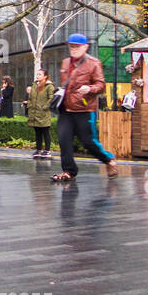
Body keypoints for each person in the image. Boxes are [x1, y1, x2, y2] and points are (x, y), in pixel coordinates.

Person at [53, 34, 119, 183]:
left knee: (88, 142)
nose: (74, 49)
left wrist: (89, 88)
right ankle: (69, 171)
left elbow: (101, 85)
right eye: (71, 46)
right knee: (64, 140)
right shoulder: (65, 63)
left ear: (85, 47)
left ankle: (108, 159)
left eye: (77, 46)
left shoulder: (93, 63)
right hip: (66, 109)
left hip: (85, 110)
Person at [26, 69, 54, 160]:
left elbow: (51, 98)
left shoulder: (49, 86)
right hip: (34, 113)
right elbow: (30, 98)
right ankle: (38, 149)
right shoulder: (34, 85)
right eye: (37, 74)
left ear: (45, 76)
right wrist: (30, 105)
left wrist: (45, 107)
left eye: (40, 74)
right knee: (37, 132)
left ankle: (47, 150)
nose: (37, 76)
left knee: (45, 132)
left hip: (44, 113)